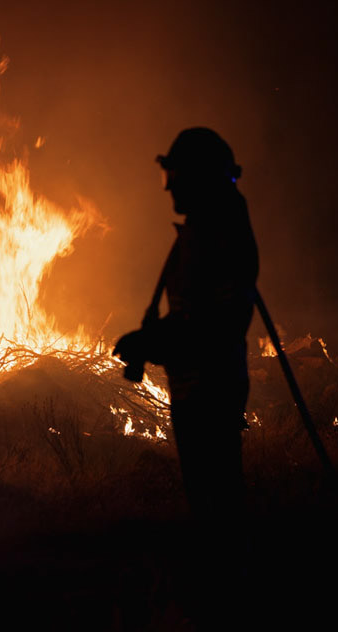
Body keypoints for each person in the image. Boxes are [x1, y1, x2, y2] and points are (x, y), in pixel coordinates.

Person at [115, 127, 258, 526]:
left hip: (210, 387)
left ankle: (228, 580)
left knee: (217, 503)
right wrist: (152, 340)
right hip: (198, 385)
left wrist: (152, 341)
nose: (168, 189)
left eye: (173, 177)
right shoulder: (206, 229)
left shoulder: (219, 235)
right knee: (208, 500)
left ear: (197, 177)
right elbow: (194, 317)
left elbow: (213, 325)